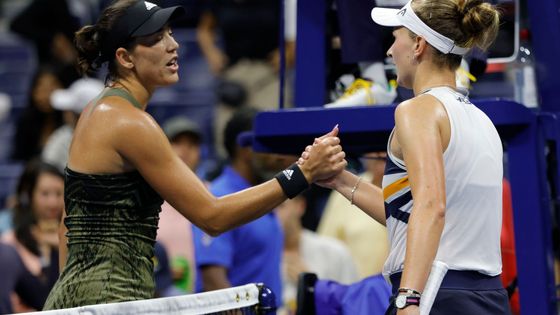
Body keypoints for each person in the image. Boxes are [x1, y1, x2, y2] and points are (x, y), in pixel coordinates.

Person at [42, 0, 346, 310]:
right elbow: (212, 217)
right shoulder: (129, 122)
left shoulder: (98, 110)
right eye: (156, 38)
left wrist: (73, 305)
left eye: (170, 33)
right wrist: (303, 173)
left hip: (84, 298)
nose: (173, 45)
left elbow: (68, 223)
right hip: (110, 300)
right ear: (125, 57)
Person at [301, 0, 509, 314]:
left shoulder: (417, 110)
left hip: (433, 291)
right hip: (487, 297)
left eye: (395, 37)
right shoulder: (481, 120)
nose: (389, 51)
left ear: (418, 45)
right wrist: (340, 180)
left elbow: (430, 207)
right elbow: (413, 214)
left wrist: (408, 298)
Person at [192, 107, 285, 306]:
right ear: (245, 148)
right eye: (269, 144)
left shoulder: (261, 196)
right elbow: (213, 281)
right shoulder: (219, 196)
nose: (277, 155)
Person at [276, 195, 359, 314]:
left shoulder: (335, 252)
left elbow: (353, 305)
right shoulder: (254, 257)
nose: (273, 214)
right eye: (266, 210)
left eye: (280, 206)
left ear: (300, 206)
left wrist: (314, 287)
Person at [1, 160, 64, 312]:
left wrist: (58, 245)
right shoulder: (10, 242)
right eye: (45, 194)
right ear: (28, 195)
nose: (53, 202)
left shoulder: (73, 239)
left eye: (59, 194)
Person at [317, 152, 389, 278]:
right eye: (376, 150)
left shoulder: (416, 187)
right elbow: (326, 247)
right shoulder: (344, 187)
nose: (381, 155)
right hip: (354, 291)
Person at [156, 116, 204, 294]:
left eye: (192, 145)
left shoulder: (214, 196)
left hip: (207, 299)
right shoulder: (150, 199)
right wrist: (162, 274)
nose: (185, 150)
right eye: (177, 142)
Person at [42, 77, 105, 172]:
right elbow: (45, 170)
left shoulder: (109, 137)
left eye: (69, 110)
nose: (65, 113)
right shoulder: (62, 137)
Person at [11, 66, 65, 162]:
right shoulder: (25, 122)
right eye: (42, 88)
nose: (46, 94)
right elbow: (18, 158)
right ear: (33, 92)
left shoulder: (69, 120)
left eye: (52, 87)